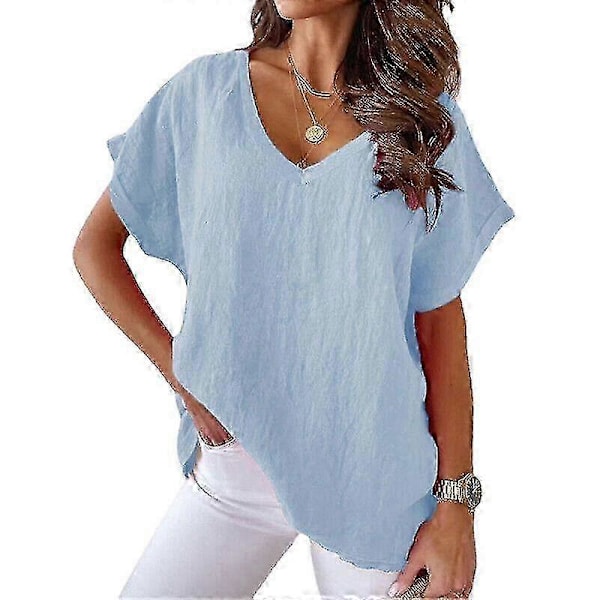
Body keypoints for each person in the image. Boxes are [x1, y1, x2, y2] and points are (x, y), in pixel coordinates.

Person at [73, 1, 515, 598]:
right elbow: (95, 249)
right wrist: (181, 373)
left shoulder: (421, 124)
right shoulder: (203, 97)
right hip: (236, 469)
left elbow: (439, 322)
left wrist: (456, 507)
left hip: (375, 482)